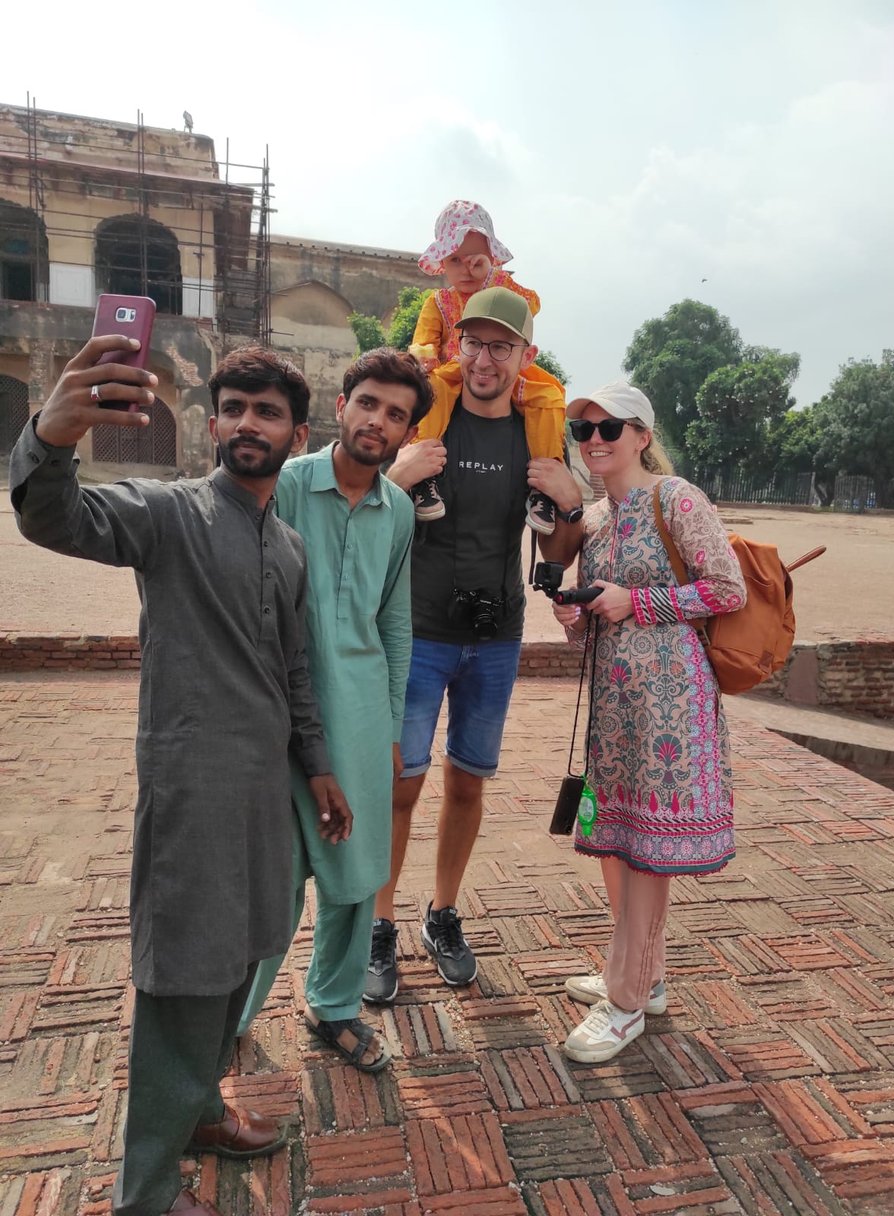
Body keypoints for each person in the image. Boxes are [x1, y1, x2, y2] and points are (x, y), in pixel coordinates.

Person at [9, 336, 351, 1216]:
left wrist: (316, 769)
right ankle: (146, 1197)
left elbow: (295, 671)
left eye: (266, 411)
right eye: (232, 408)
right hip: (194, 787)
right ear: (210, 425)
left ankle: (198, 1112)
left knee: (245, 950)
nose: (247, 423)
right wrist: (49, 437)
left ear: (297, 432)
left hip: (261, 795)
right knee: (185, 978)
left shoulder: (288, 548)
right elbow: (56, 519)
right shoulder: (168, 515)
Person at [364, 286, 583, 1002]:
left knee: (467, 780)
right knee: (401, 783)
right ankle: (380, 924)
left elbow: (556, 546)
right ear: (456, 345)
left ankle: (443, 912)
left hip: (495, 639)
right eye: (474, 343)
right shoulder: (428, 421)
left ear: (525, 357)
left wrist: (571, 503)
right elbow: (364, 519)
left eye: (501, 346)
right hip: (420, 631)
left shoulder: (536, 435)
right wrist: (398, 478)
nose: (485, 358)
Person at [236, 348, 433, 1071]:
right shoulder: (286, 485)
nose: (378, 421)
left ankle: (335, 1004)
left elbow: (394, 624)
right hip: (282, 714)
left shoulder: (399, 510)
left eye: (396, 414)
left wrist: (388, 726)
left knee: (357, 876)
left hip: (359, 713)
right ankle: (231, 1019)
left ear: (407, 433)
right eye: (369, 403)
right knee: (277, 879)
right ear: (342, 405)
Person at [544, 382, 746, 1064]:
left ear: (641, 434)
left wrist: (638, 600)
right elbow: (599, 615)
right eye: (583, 428)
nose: (594, 439)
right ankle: (643, 974)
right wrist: (575, 615)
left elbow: (726, 589)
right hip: (615, 702)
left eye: (610, 427)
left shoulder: (675, 498)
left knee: (646, 847)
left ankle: (627, 999)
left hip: (669, 700)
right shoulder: (597, 519)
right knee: (619, 838)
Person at [407, 200, 566, 534]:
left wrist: (494, 277)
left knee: (549, 396)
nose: (466, 270)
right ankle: (425, 474)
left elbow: (532, 303)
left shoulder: (501, 291)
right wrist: (424, 356)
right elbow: (423, 339)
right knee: (433, 388)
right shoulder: (438, 303)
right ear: (442, 264)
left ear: (491, 260)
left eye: (475, 261)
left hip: (509, 378)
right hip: (454, 371)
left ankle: (544, 484)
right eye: (455, 261)